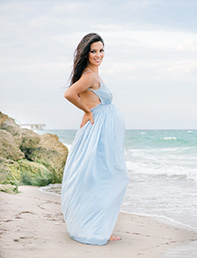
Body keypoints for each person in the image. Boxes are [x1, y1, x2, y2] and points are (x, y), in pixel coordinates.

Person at [61, 33, 130, 245]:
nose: (98, 55)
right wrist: (87, 112)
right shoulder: (90, 75)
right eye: (93, 51)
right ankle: (98, 229)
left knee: (104, 177)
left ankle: (102, 227)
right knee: (108, 177)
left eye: (101, 50)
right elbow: (70, 93)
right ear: (86, 53)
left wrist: (87, 109)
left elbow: (89, 98)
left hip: (103, 134)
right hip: (98, 133)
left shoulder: (94, 75)